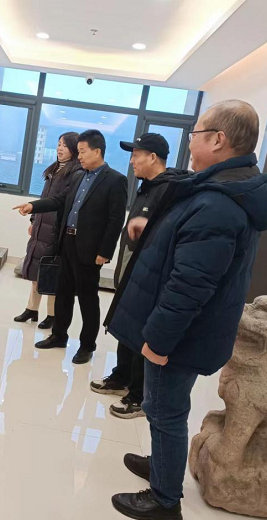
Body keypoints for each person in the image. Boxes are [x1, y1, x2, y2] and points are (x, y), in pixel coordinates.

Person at [105, 100, 267, 520]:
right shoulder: (224, 188)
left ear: (218, 140)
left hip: (181, 335)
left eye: (195, 133)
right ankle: (162, 464)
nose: (189, 142)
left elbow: (190, 284)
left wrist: (158, 340)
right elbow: (192, 250)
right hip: (192, 330)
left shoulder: (219, 202)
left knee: (164, 409)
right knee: (165, 404)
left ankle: (164, 500)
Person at [90, 133, 190, 419]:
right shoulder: (147, 186)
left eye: (136, 155)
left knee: (139, 331)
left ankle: (137, 395)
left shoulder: (169, 190)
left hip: (148, 276)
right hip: (130, 268)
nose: (132, 161)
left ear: (153, 157)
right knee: (125, 325)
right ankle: (121, 377)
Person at [13, 129, 127, 364]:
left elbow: (115, 220)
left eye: (83, 152)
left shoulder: (115, 180)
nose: (79, 156)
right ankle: (59, 335)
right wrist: (33, 206)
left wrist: (105, 252)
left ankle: (87, 345)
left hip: (90, 249)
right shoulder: (78, 176)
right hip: (67, 243)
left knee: (87, 299)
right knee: (63, 293)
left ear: (97, 151)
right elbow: (59, 200)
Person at [14, 132, 83, 329]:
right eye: (59, 144)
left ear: (74, 149)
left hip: (56, 230)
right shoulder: (54, 169)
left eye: (65, 145)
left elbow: (60, 202)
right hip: (41, 227)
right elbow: (44, 198)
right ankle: (32, 309)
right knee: (36, 270)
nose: (60, 148)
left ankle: (52, 314)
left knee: (52, 273)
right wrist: (34, 220)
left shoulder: (75, 173)